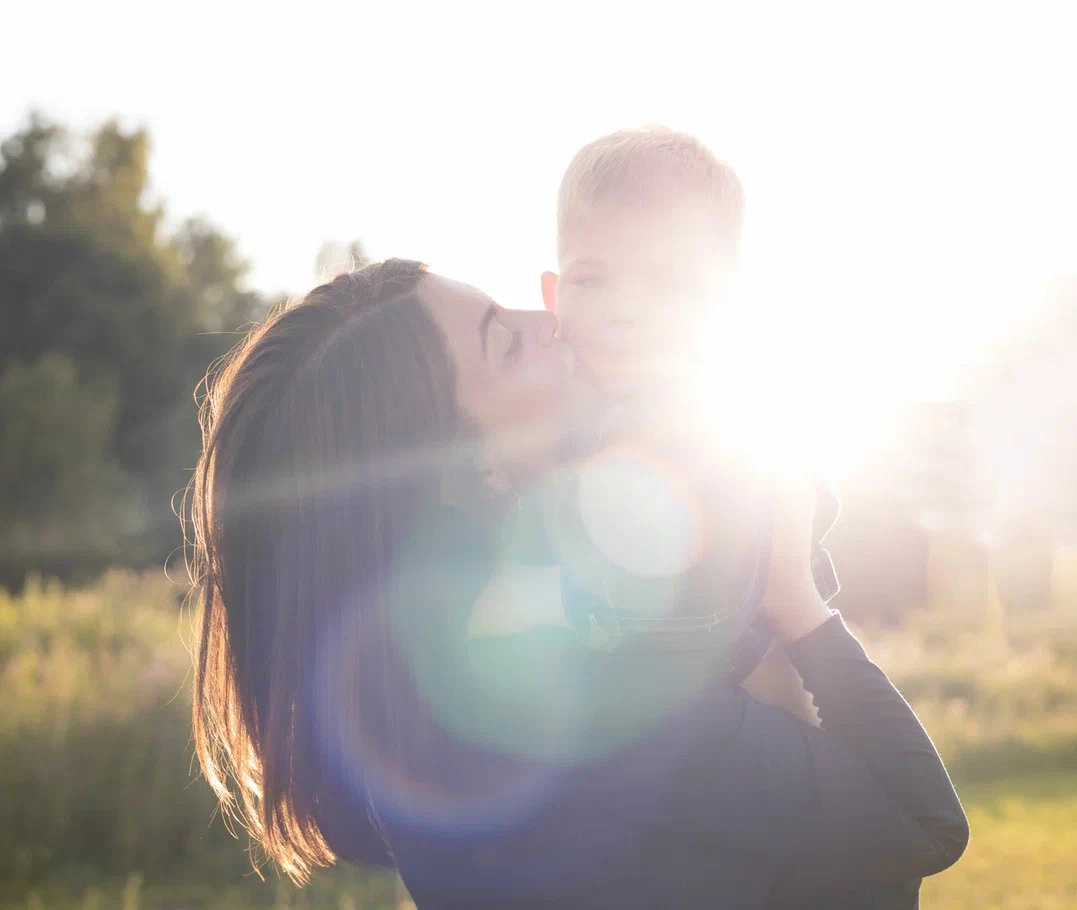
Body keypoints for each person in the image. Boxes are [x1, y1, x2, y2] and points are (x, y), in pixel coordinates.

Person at [188, 258, 968, 908]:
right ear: (470, 472)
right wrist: (796, 601)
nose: (549, 320)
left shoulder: (429, 691)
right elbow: (919, 821)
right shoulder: (571, 701)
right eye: (507, 345)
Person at [539, 126, 836, 722]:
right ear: (552, 295)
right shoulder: (547, 437)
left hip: (755, 714)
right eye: (591, 280)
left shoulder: (730, 442)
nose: (624, 310)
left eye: (665, 283)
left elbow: (782, 586)